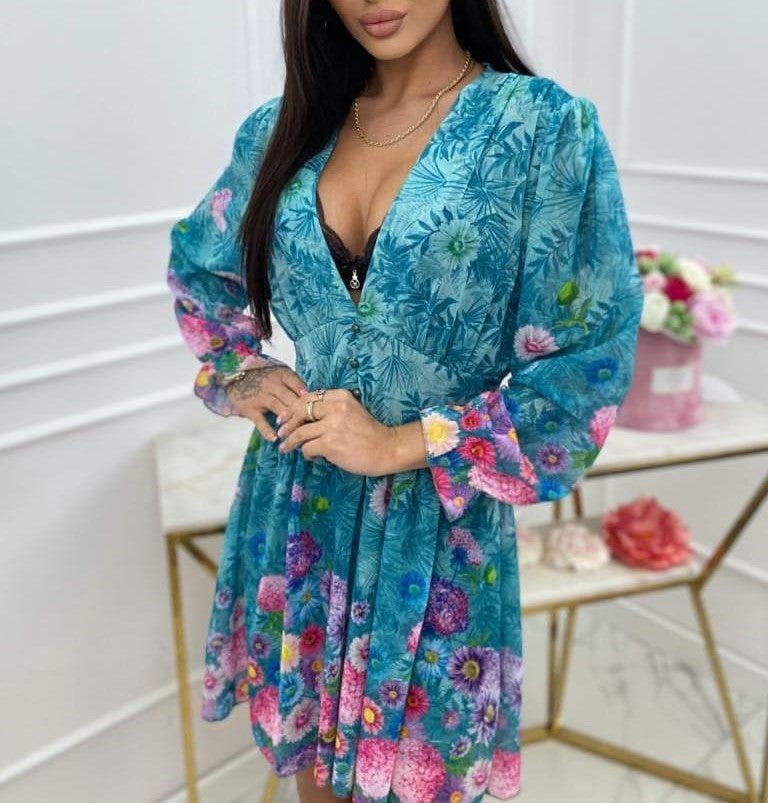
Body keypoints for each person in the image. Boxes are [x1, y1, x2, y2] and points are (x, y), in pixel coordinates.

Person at [165, 1, 644, 800]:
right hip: (299, 512)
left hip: (435, 535)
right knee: (313, 780)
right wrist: (240, 370)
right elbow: (199, 269)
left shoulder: (541, 129)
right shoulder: (284, 128)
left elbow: (587, 360)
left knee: (421, 781)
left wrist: (403, 442)